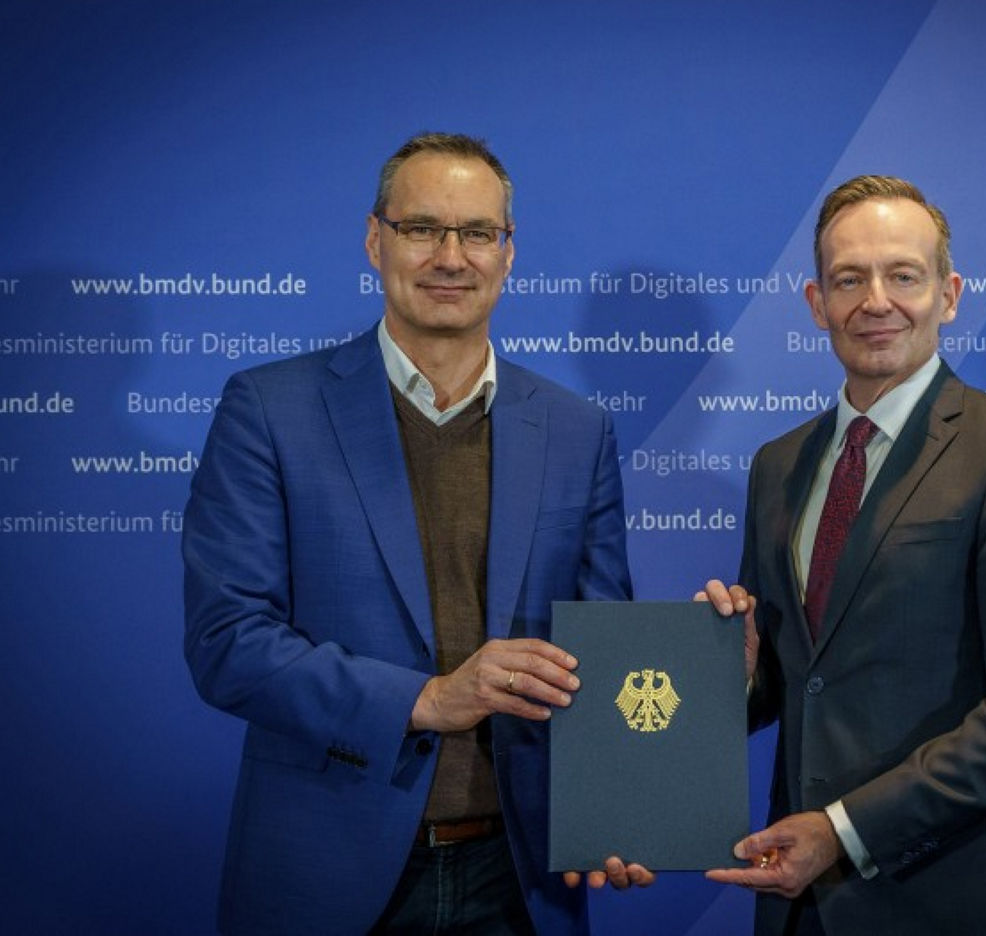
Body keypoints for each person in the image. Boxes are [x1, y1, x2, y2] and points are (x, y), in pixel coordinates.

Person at [183, 132, 650, 936]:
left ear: (509, 254)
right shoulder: (269, 410)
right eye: (422, 228)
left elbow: (601, 651)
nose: (451, 255)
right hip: (326, 874)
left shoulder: (578, 431)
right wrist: (429, 700)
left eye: (477, 233)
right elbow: (228, 643)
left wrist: (620, 809)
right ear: (375, 241)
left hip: (521, 880)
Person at [701, 175, 986, 934]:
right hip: (801, 907)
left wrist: (844, 830)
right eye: (849, 279)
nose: (874, 301)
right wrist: (736, 670)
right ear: (818, 304)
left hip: (953, 898)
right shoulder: (778, 464)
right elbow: (795, 679)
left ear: (948, 295)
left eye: (902, 275)